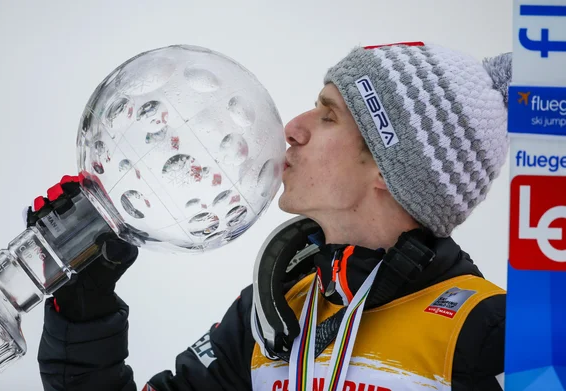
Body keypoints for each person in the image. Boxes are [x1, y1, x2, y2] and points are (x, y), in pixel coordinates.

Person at [30, 41, 511, 391]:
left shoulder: (485, 329)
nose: (293, 128)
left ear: (391, 169)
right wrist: (84, 314)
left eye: (328, 116)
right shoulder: (275, 313)